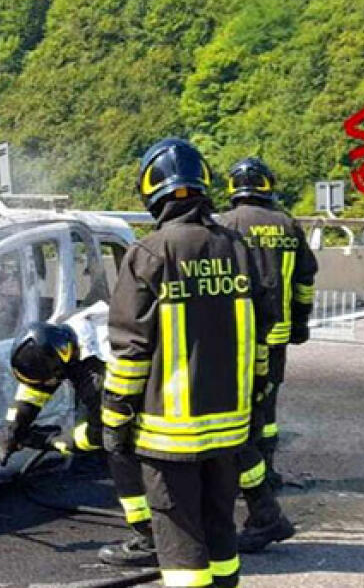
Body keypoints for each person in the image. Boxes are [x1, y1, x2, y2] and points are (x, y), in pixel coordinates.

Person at [102, 137, 276, 588]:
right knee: (220, 531)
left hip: (169, 438)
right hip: (230, 430)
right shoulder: (240, 249)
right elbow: (261, 336)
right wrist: (258, 402)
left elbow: (130, 351)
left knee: (181, 544)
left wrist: (115, 419)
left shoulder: (149, 254)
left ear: (151, 190)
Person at [0, 309, 157, 566]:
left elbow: (99, 434)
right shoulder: (67, 334)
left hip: (154, 407)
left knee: (118, 448)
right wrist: (11, 432)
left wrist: (51, 441)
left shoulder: (96, 376)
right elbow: (35, 389)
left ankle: (149, 537)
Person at [218, 157, 318, 489]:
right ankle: (266, 473)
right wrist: (300, 323)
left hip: (234, 339)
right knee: (266, 405)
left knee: (233, 403)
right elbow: (305, 280)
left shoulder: (225, 225)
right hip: (276, 336)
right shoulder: (288, 225)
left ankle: (231, 474)